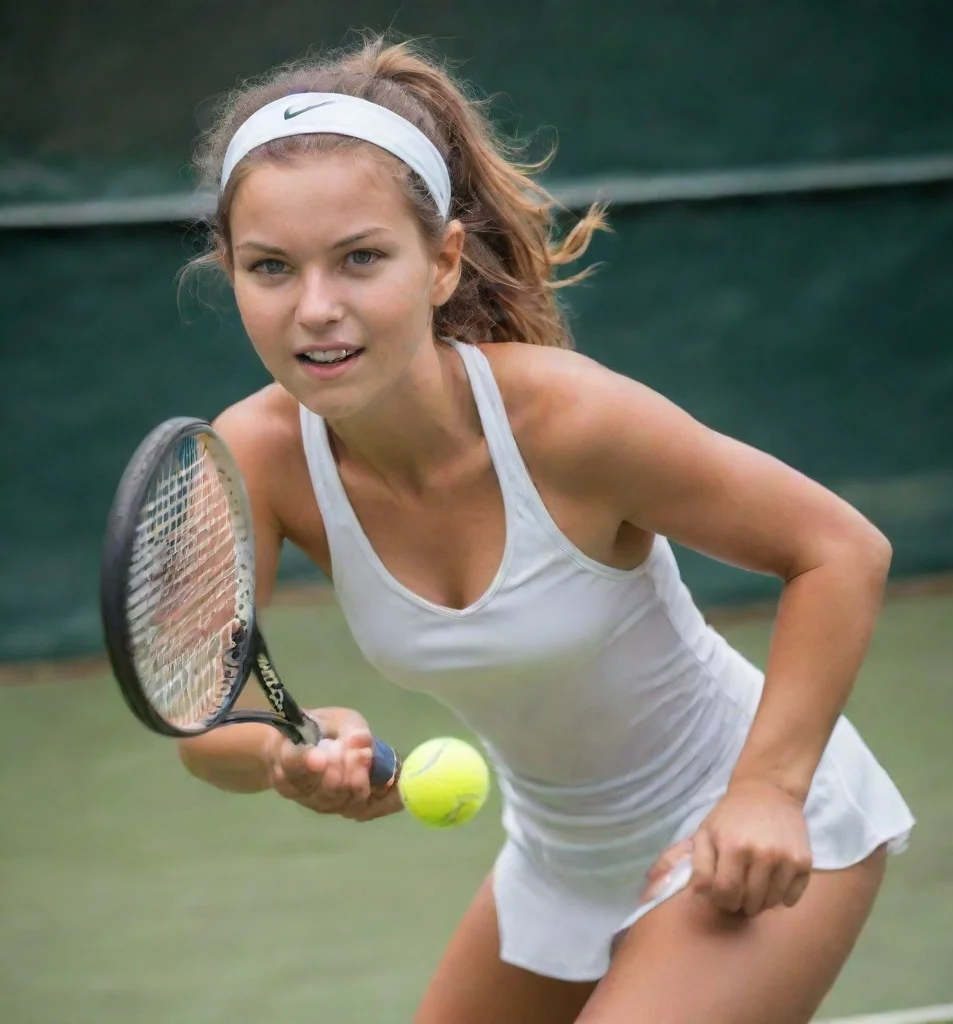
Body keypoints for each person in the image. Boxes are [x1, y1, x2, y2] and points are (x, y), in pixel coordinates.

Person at [176, 34, 915, 1023]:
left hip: (758, 816)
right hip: (559, 861)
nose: (315, 308)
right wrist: (288, 751)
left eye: (360, 258)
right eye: (270, 267)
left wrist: (769, 789)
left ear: (439, 263)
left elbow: (838, 549)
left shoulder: (569, 422)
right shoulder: (252, 458)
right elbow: (203, 719)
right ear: (230, 272)